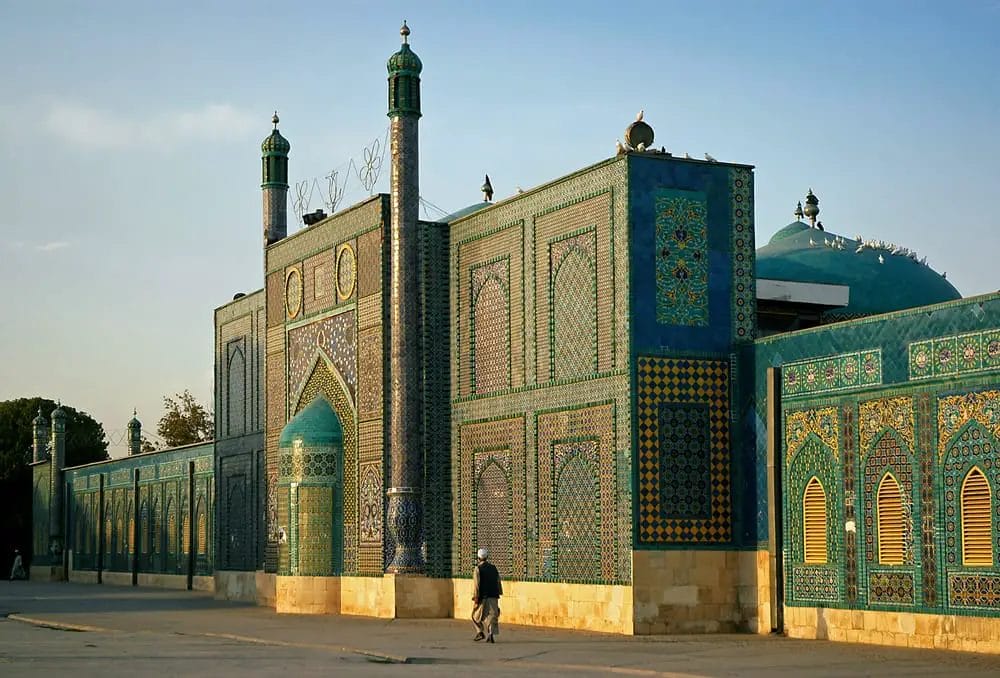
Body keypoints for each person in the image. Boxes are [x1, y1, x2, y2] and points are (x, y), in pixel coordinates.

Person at [471, 547, 502, 643]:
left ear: (478, 558)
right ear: (487, 557)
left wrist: (476, 596)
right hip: (493, 595)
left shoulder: (478, 569)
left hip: (483, 596)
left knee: (475, 616)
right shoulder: (494, 568)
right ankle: (490, 635)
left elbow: (477, 584)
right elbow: (498, 581)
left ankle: (480, 632)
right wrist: (499, 592)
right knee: (492, 616)